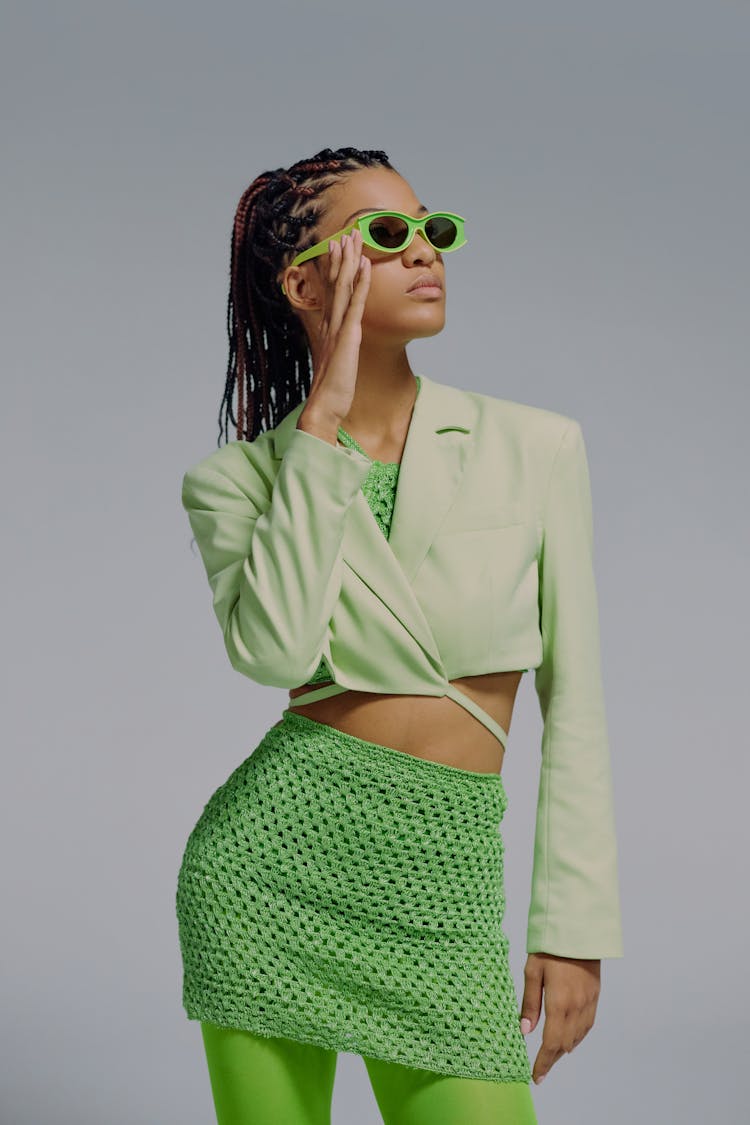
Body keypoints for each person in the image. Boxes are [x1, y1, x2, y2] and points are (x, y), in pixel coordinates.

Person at [176, 145, 623, 1125]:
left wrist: (573, 924)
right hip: (267, 885)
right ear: (306, 283)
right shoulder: (236, 484)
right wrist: (323, 423)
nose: (426, 251)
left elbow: (577, 702)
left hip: (445, 894)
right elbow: (277, 653)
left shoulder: (536, 447)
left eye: (434, 228)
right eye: (385, 235)